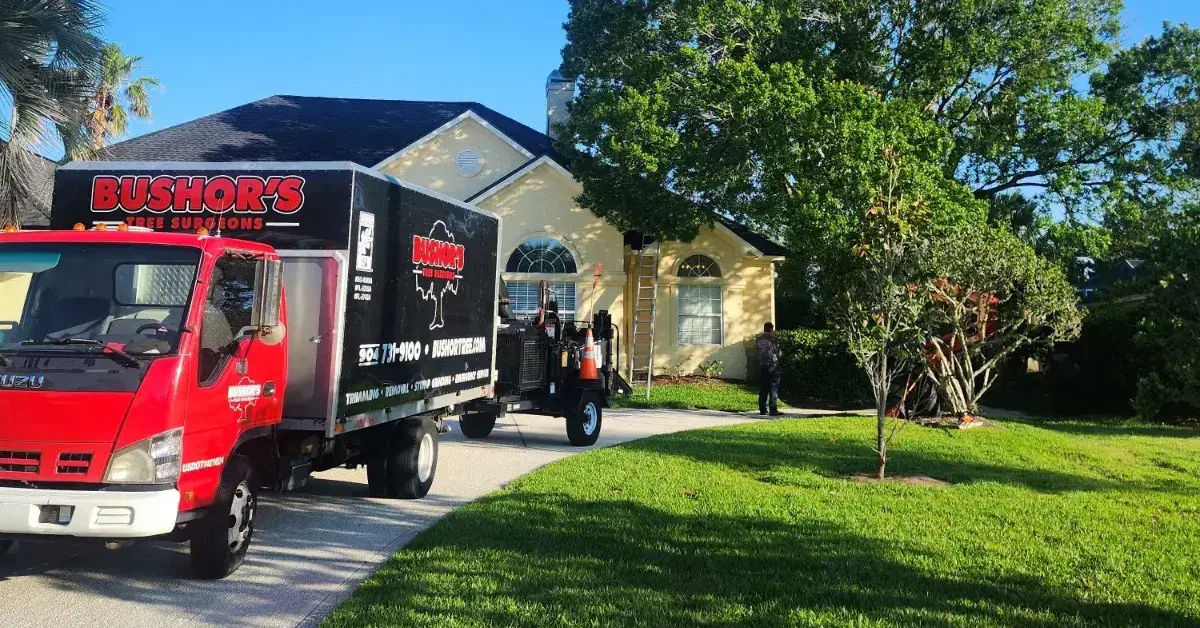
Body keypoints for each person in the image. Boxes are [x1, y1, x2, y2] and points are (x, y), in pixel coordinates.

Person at [757, 322, 783, 416]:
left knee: (763, 388)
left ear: (764, 329)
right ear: (771, 329)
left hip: (762, 366)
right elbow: (779, 354)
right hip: (772, 366)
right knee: (773, 387)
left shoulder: (758, 340)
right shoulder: (773, 340)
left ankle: (762, 409)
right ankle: (773, 409)